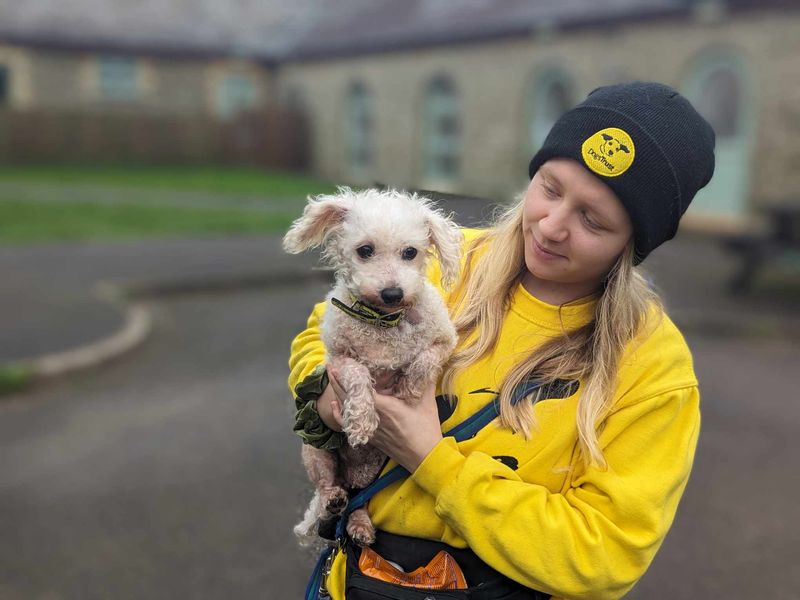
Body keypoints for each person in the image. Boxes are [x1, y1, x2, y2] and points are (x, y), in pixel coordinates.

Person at [288, 81, 715, 600]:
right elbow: (322, 328)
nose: (552, 226)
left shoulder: (653, 368)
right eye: (551, 188)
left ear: (633, 242)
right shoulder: (438, 260)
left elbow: (602, 554)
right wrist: (329, 396)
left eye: (593, 219)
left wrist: (433, 461)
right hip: (357, 581)